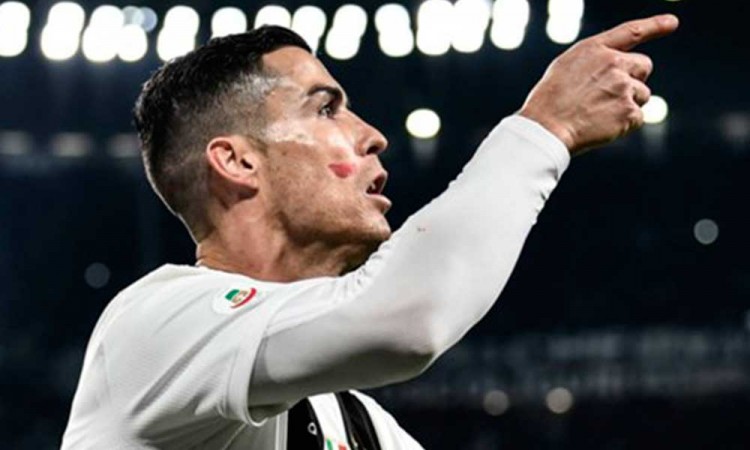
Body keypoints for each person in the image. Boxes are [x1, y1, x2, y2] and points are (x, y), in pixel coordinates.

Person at [61, 14, 679, 450]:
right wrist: (544, 130)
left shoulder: (357, 425)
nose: (373, 135)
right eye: (325, 108)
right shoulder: (154, 327)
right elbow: (408, 318)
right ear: (238, 161)